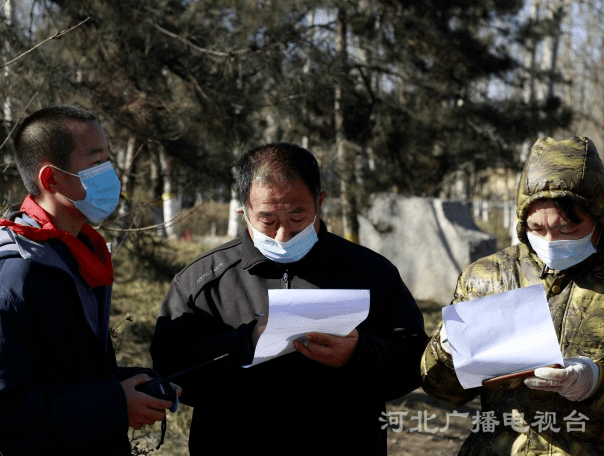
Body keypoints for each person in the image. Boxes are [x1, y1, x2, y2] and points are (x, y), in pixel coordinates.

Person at [150, 141, 428, 456]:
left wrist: (356, 355)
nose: (283, 235)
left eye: (298, 217)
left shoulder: (372, 274)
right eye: (267, 220)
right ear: (243, 209)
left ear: (320, 203)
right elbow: (171, 367)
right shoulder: (204, 281)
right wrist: (246, 344)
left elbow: (414, 359)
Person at [0, 105, 178, 456]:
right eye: (95, 163)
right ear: (51, 179)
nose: (109, 175)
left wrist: (128, 387)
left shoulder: (77, 253)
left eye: (109, 161)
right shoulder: (12, 279)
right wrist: (113, 405)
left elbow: (64, 372)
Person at [421, 136, 604, 455]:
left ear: (598, 217)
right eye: (537, 228)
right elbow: (445, 392)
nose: (550, 241)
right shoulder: (486, 278)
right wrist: (447, 351)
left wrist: (595, 380)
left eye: (566, 230)